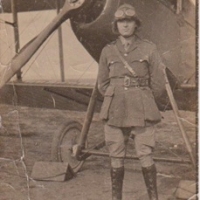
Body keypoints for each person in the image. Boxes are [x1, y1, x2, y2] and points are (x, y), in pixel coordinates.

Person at [97, 3, 166, 200]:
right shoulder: (108, 51)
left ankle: (153, 198)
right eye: (121, 22)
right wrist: (117, 95)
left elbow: (158, 83)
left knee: (145, 153)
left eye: (129, 21)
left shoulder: (149, 48)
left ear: (136, 24)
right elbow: (102, 83)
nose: (125, 25)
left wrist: (143, 97)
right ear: (116, 25)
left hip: (142, 108)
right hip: (115, 109)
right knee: (116, 154)